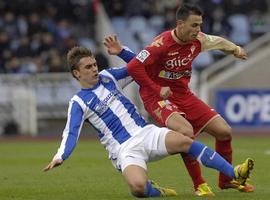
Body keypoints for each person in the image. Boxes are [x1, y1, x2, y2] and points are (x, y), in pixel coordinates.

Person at [43, 41, 254, 198]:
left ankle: (233, 172)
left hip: (146, 133)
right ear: (76, 73)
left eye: (94, 64)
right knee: (137, 188)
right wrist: (60, 156)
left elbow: (139, 65)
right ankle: (156, 191)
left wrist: (122, 51)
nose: (94, 69)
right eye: (88, 67)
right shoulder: (78, 102)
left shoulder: (109, 77)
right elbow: (71, 132)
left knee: (185, 141)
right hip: (124, 150)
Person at [110, 3, 254, 196]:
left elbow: (218, 41)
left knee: (224, 131)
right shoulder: (160, 44)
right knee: (185, 131)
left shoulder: (199, 40)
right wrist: (157, 88)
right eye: (194, 25)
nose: (198, 30)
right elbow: (135, 67)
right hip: (156, 96)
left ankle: (227, 180)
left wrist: (235, 49)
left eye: (200, 25)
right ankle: (199, 184)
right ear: (180, 24)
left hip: (183, 93)